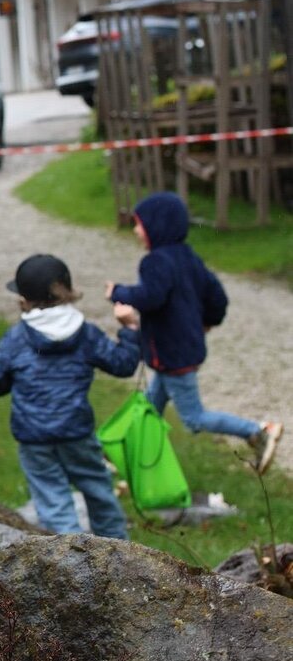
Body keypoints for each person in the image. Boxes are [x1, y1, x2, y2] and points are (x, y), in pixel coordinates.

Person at [107, 191, 282, 474]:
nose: (136, 230)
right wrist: (206, 324)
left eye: (139, 224)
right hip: (177, 351)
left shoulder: (155, 262)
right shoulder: (188, 256)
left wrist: (118, 292)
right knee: (151, 405)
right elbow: (217, 297)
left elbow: (151, 297)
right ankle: (128, 459)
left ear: (157, 226)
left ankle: (259, 431)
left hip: (174, 355)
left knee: (193, 418)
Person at [0, 254, 139, 539]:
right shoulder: (85, 333)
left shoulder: (18, 338)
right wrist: (130, 329)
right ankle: (121, 555)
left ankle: (70, 563)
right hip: (76, 431)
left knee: (54, 503)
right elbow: (123, 365)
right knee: (99, 492)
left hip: (34, 437)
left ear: (24, 300)